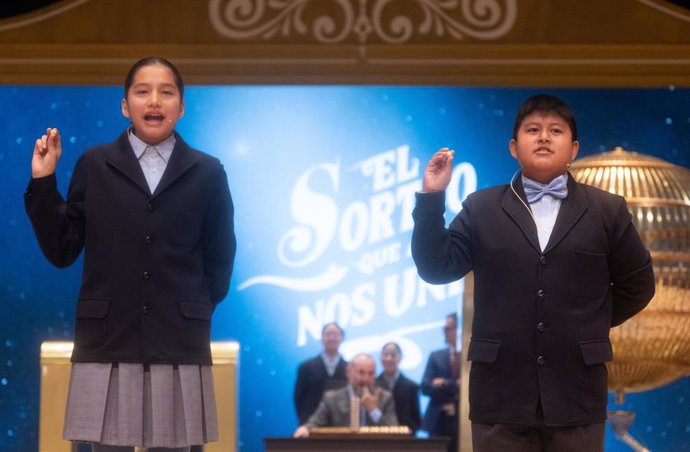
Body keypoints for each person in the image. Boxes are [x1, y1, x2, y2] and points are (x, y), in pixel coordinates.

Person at [411, 94, 655, 452]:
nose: (543, 137)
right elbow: (436, 268)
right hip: (500, 395)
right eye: (533, 130)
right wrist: (432, 198)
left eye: (555, 130)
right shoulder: (481, 208)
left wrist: (588, 322)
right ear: (514, 147)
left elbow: (639, 285)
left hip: (577, 392)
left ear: (573, 148)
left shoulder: (607, 210)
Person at [25, 56, 236, 452]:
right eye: (142, 92)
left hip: (179, 344)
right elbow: (62, 249)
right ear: (125, 105)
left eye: (166, 92)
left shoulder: (208, 172)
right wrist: (43, 180)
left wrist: (192, 306)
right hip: (107, 341)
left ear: (182, 106)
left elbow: (220, 259)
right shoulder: (94, 164)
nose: (154, 101)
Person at [293, 353, 398, 437]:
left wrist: (373, 411)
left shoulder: (385, 397)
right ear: (349, 371)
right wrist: (305, 428)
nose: (366, 379)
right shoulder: (331, 398)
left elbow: (395, 430)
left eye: (371, 373)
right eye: (361, 373)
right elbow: (314, 423)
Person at [293, 322, 348, 424]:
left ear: (342, 338)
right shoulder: (306, 367)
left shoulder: (349, 368)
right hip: (311, 424)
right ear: (322, 338)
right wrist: (304, 422)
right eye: (328, 334)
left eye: (335, 334)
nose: (331, 338)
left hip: (341, 425)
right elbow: (299, 398)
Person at [420, 314, 459, 451]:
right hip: (437, 422)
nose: (444, 332)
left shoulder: (468, 356)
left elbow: (466, 387)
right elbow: (425, 387)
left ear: (458, 329)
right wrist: (455, 387)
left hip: (462, 423)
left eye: (448, 328)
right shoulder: (436, 356)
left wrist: (443, 383)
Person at [377, 342, 421, 434]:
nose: (389, 359)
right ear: (380, 357)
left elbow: (417, 419)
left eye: (393, 355)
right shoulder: (373, 385)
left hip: (404, 440)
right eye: (386, 355)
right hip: (377, 436)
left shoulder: (411, 386)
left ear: (400, 358)